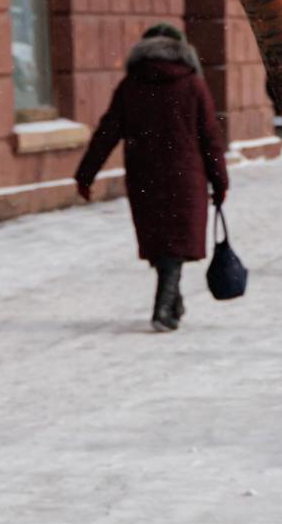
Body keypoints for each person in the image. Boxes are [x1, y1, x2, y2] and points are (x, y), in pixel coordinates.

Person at [73, 23, 228, 331]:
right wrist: (220, 180)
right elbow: (210, 137)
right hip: (186, 175)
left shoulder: (131, 85)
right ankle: (163, 308)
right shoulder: (193, 84)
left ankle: (173, 302)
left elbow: (107, 131)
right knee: (176, 241)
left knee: (160, 239)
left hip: (145, 175)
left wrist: (85, 174)